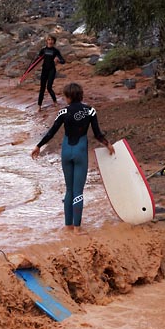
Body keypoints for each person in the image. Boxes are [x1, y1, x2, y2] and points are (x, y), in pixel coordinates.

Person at [31, 82, 115, 234]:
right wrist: (108, 144)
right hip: (80, 152)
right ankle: (77, 228)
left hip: (66, 152)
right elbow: (97, 134)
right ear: (81, 95)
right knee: (78, 191)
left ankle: (68, 225)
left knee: (69, 190)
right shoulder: (90, 111)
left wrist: (38, 146)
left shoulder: (63, 112)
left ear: (68, 97)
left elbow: (51, 132)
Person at [35, 34, 65, 112]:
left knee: (49, 87)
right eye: (49, 39)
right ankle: (39, 106)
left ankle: (55, 102)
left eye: (52, 40)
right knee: (42, 88)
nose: (50, 41)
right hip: (44, 70)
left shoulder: (55, 51)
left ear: (54, 42)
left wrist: (58, 60)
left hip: (52, 70)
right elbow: (37, 60)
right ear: (46, 41)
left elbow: (63, 61)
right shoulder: (43, 50)